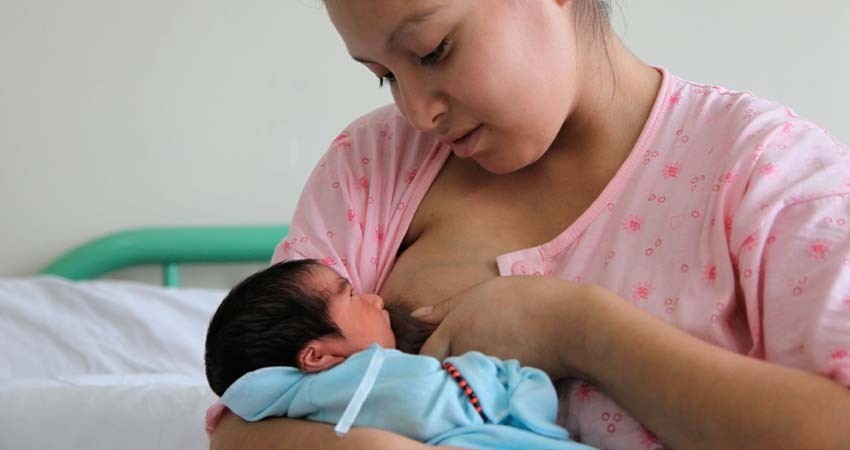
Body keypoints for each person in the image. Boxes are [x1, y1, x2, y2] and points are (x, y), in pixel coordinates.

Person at [210, 0, 850, 448]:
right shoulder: (373, 165)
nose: (417, 113)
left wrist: (578, 329)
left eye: (433, 51)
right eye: (384, 77)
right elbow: (244, 417)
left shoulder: (765, 170)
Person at [204, 259, 595, 450]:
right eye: (351, 295)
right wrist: (508, 378)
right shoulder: (361, 382)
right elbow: (436, 401)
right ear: (317, 357)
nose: (375, 299)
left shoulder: (307, 408)